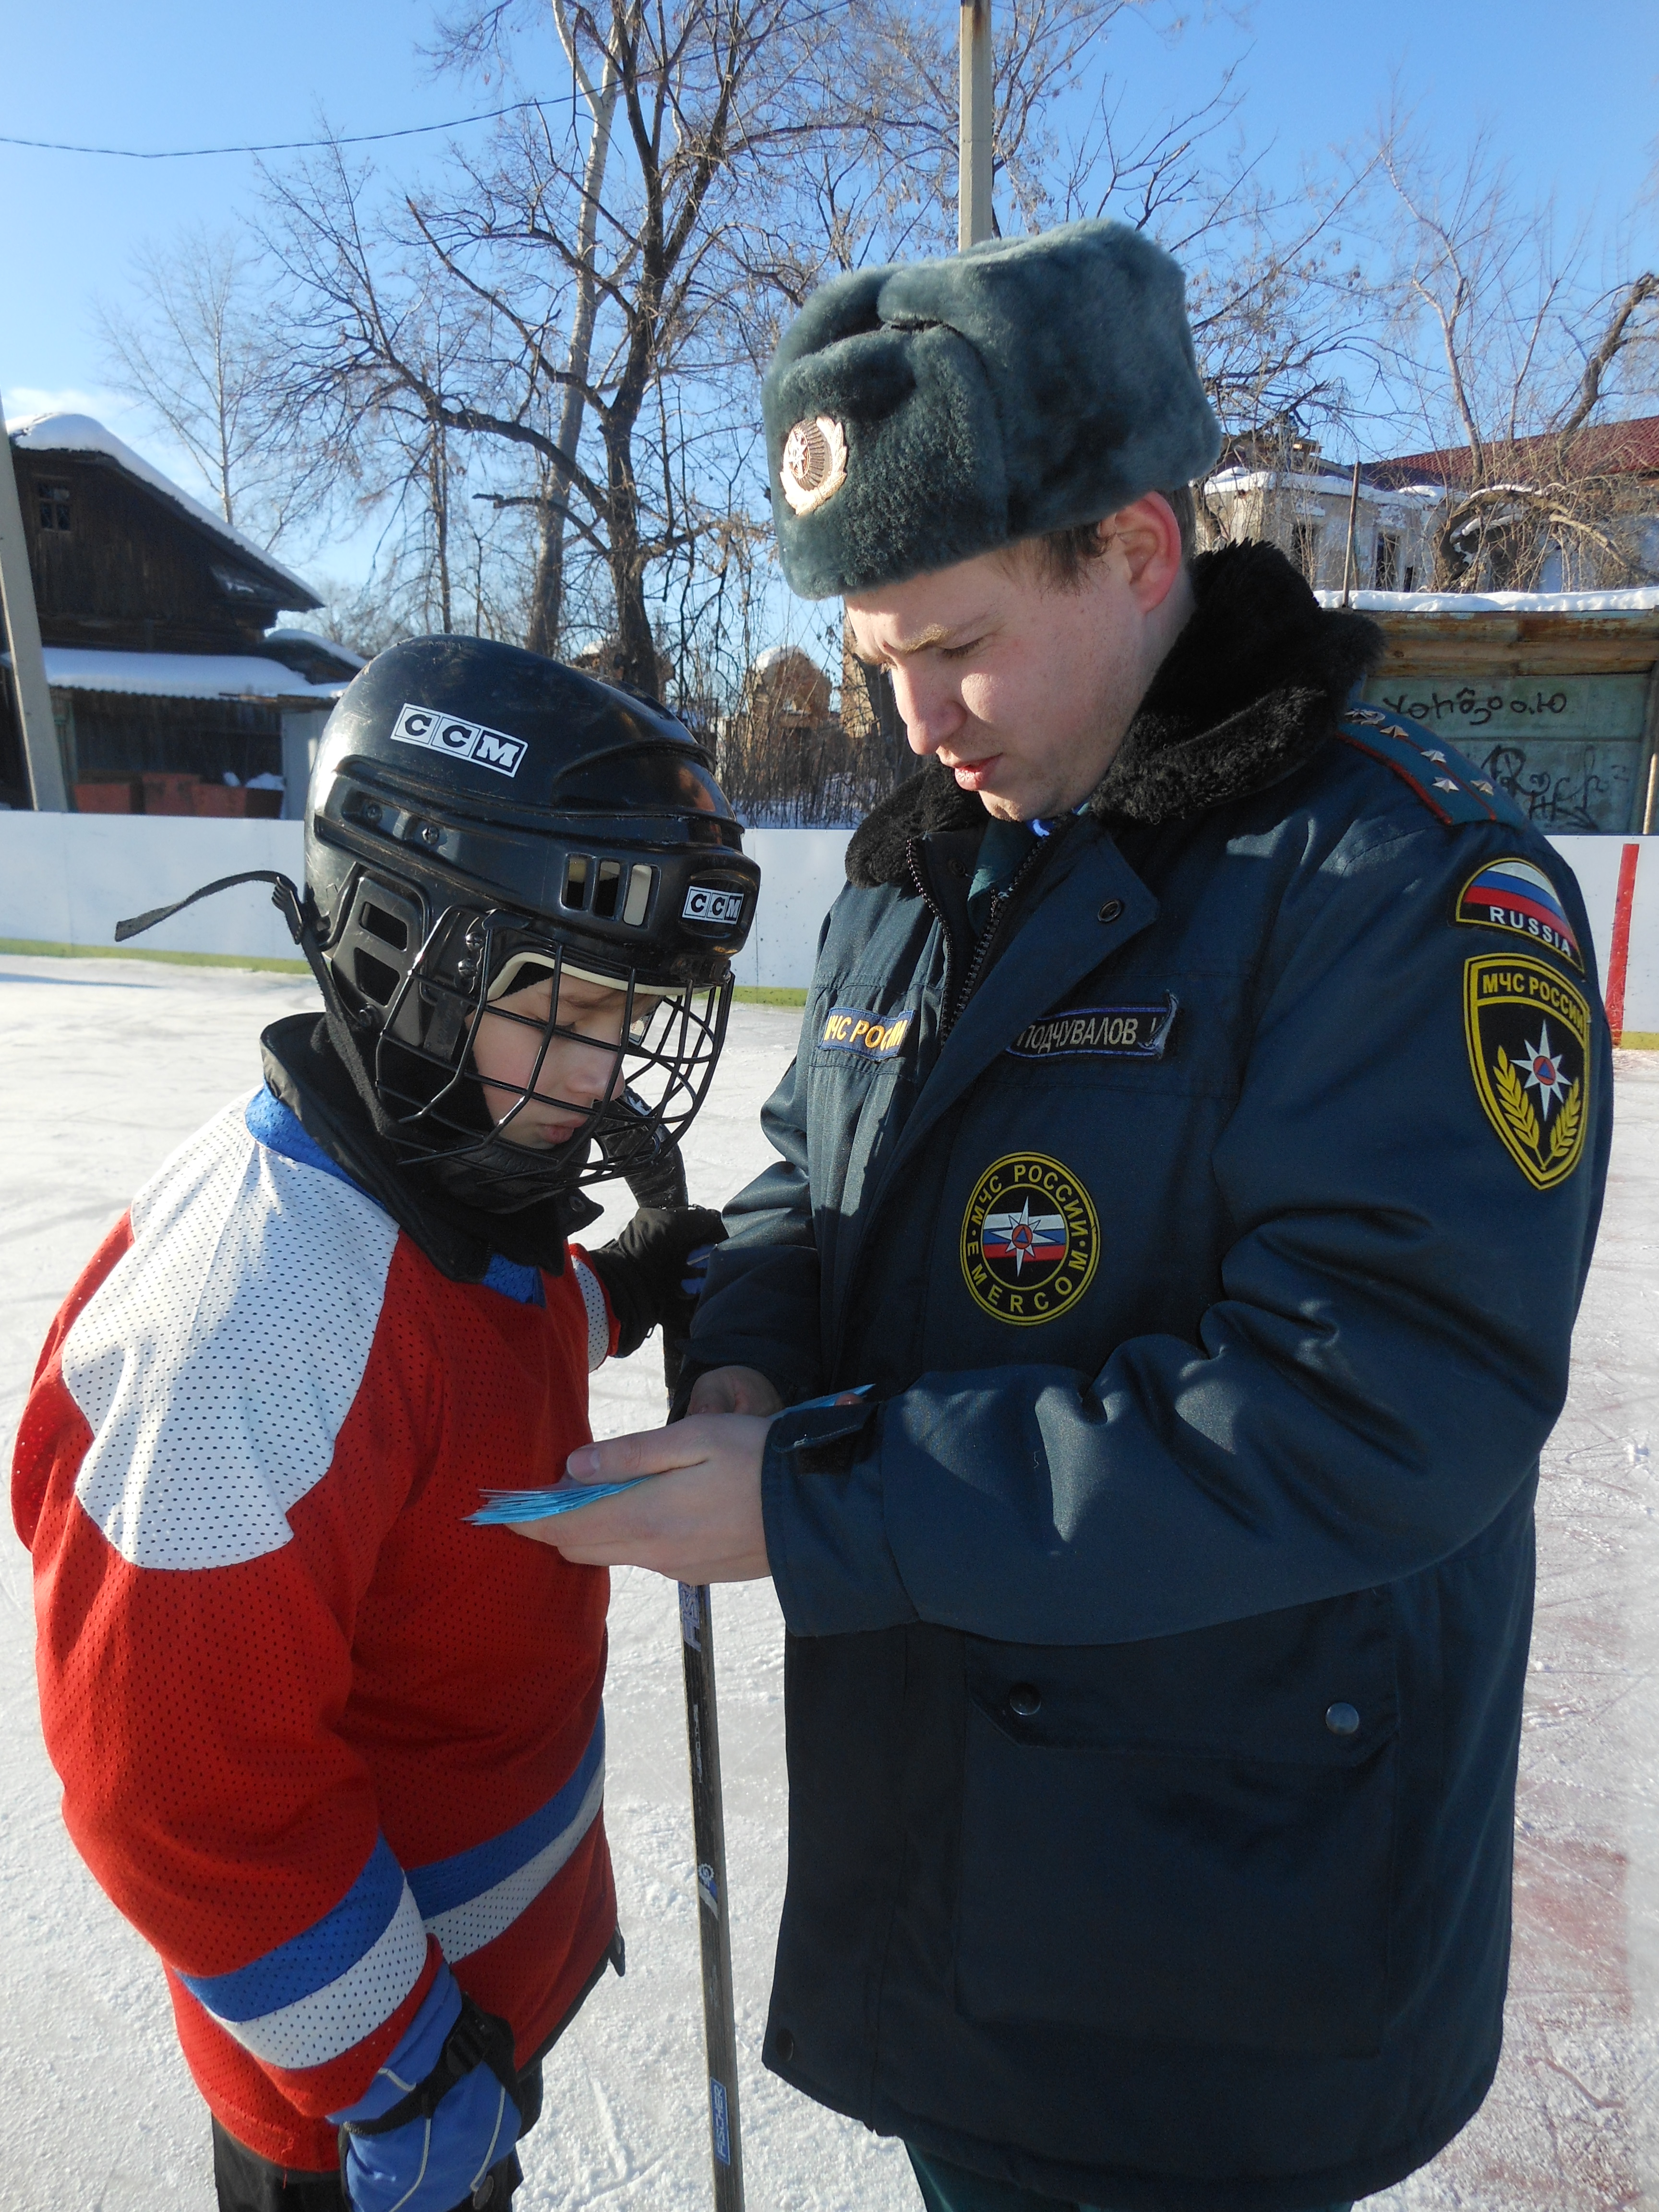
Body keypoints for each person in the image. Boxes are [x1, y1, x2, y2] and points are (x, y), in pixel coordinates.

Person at [520, 222, 1615, 2212]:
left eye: (955, 646)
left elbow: (1381, 1414)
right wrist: (759, 1358)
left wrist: (814, 1506)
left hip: (1218, 1945)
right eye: (880, 665)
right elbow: (807, 1171)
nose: (918, 716)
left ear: (1132, 549)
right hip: (971, 1891)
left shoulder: (1400, 886)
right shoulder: (940, 852)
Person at [10, 637, 759, 2212]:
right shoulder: (248, 1318)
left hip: (468, 2002)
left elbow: (455, 1375)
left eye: (626, 1011)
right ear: (393, 949)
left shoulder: (435, 1196)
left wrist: (614, 1297)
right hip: (366, 2092)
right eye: (557, 1001)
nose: (606, 1065)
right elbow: (179, 1791)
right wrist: (399, 2067)